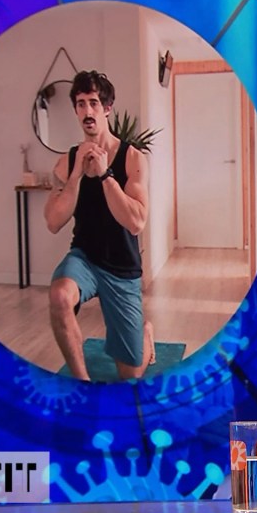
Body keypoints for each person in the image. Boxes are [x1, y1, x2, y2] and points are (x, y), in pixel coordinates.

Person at [45, 70, 154, 381]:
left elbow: (136, 222)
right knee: (60, 295)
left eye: (93, 102)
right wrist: (77, 174)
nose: (87, 111)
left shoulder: (132, 158)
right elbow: (53, 222)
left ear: (107, 108)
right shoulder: (66, 162)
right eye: (81, 104)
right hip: (85, 258)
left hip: (122, 267)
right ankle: (82, 383)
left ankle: (146, 336)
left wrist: (105, 175)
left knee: (130, 375)